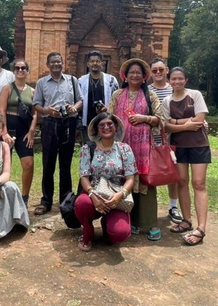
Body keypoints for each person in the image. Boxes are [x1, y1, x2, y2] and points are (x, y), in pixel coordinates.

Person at [108, 58, 164, 241]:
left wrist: (143, 118)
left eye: (138, 73)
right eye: (131, 72)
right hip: (122, 148)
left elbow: (159, 119)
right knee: (125, 181)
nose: (134, 75)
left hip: (143, 149)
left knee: (145, 182)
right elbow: (109, 118)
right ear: (125, 75)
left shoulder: (151, 95)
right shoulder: (117, 95)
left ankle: (149, 223)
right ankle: (129, 220)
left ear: (144, 76)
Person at [74, 112, 136, 251]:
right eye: (102, 125)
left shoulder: (124, 149)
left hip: (116, 196)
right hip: (93, 195)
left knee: (119, 233)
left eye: (110, 124)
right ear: (96, 129)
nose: (106, 127)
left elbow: (131, 178)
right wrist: (92, 195)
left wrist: (120, 194)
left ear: (116, 128)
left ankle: (108, 228)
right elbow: (84, 176)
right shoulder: (88, 149)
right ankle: (87, 235)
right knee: (82, 204)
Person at [163, 67, 211, 246]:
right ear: (169, 81)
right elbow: (166, 126)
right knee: (181, 182)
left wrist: (176, 122)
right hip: (179, 146)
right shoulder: (167, 101)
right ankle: (186, 220)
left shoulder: (195, 95)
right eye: (173, 79)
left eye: (180, 79)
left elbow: (199, 120)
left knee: (199, 183)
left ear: (186, 80)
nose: (177, 82)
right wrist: (185, 124)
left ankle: (201, 227)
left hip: (199, 145)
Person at [32, 52, 82, 215]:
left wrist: (74, 108)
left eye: (59, 62)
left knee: (66, 164)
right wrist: (47, 110)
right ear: (48, 65)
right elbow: (36, 104)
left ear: (63, 63)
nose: (56, 64)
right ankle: (46, 201)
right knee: (48, 164)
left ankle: (65, 200)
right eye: (53, 62)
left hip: (68, 123)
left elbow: (80, 100)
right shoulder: (42, 83)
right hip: (50, 124)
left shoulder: (72, 80)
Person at [0, 59, 38, 205]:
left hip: (24, 131)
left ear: (27, 71)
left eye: (23, 68)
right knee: (2, 165)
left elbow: (34, 114)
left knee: (28, 164)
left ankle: (24, 197)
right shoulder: (7, 88)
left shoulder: (32, 91)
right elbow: (1, 110)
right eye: (17, 68)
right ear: (13, 71)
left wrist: (32, 131)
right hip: (8, 128)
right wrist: (4, 132)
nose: (20, 70)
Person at [148, 57, 182, 224]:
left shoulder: (174, 90)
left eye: (161, 69)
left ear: (167, 70)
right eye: (154, 70)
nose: (158, 72)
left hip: (172, 137)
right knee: (150, 172)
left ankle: (173, 206)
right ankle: (148, 208)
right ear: (150, 73)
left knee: (172, 173)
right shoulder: (146, 91)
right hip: (149, 138)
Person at [78, 50, 119, 143]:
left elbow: (117, 101)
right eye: (92, 61)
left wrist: (108, 108)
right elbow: (78, 101)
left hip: (106, 123)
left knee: (106, 148)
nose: (95, 63)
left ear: (102, 63)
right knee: (89, 149)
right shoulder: (81, 81)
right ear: (88, 64)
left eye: (97, 61)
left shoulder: (111, 80)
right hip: (88, 122)